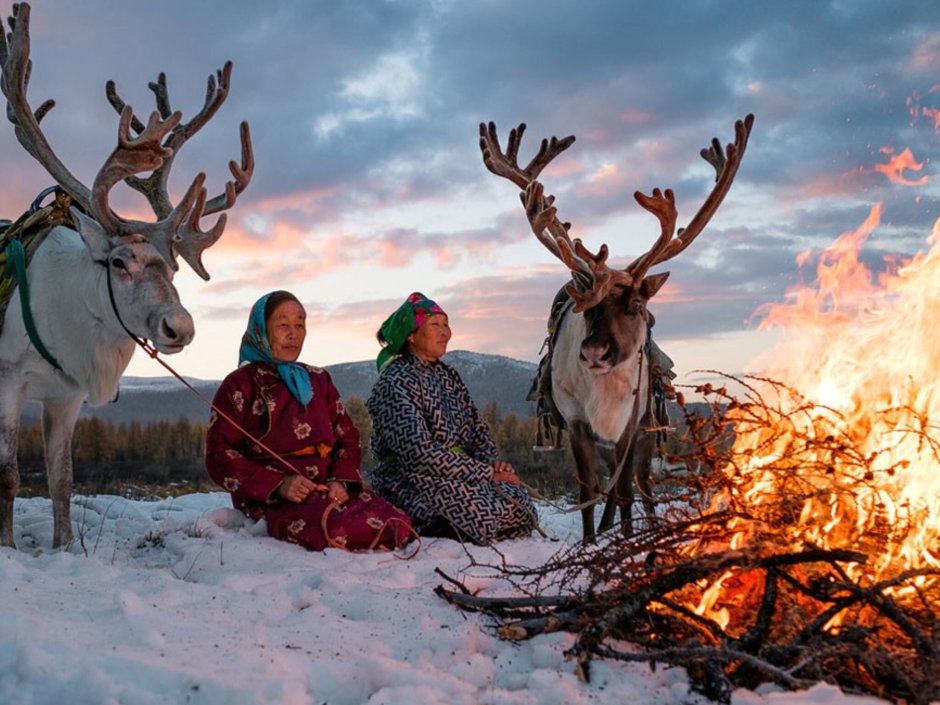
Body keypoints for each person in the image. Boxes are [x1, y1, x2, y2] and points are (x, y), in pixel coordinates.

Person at [205, 291, 413, 552]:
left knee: (399, 522)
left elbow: (347, 437)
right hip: (272, 498)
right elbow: (219, 455)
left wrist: (340, 481)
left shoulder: (319, 379)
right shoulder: (239, 384)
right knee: (337, 529)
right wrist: (279, 485)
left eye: (300, 325)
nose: (293, 334)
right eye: (283, 325)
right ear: (261, 330)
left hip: (328, 489)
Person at [366, 292, 538, 544]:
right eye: (435, 325)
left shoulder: (449, 377)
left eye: (446, 324)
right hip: (410, 478)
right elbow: (418, 454)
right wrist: (484, 473)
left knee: (519, 502)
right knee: (484, 513)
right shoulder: (394, 382)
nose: (445, 332)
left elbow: (477, 431)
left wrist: (493, 465)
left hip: (459, 473)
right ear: (411, 336)